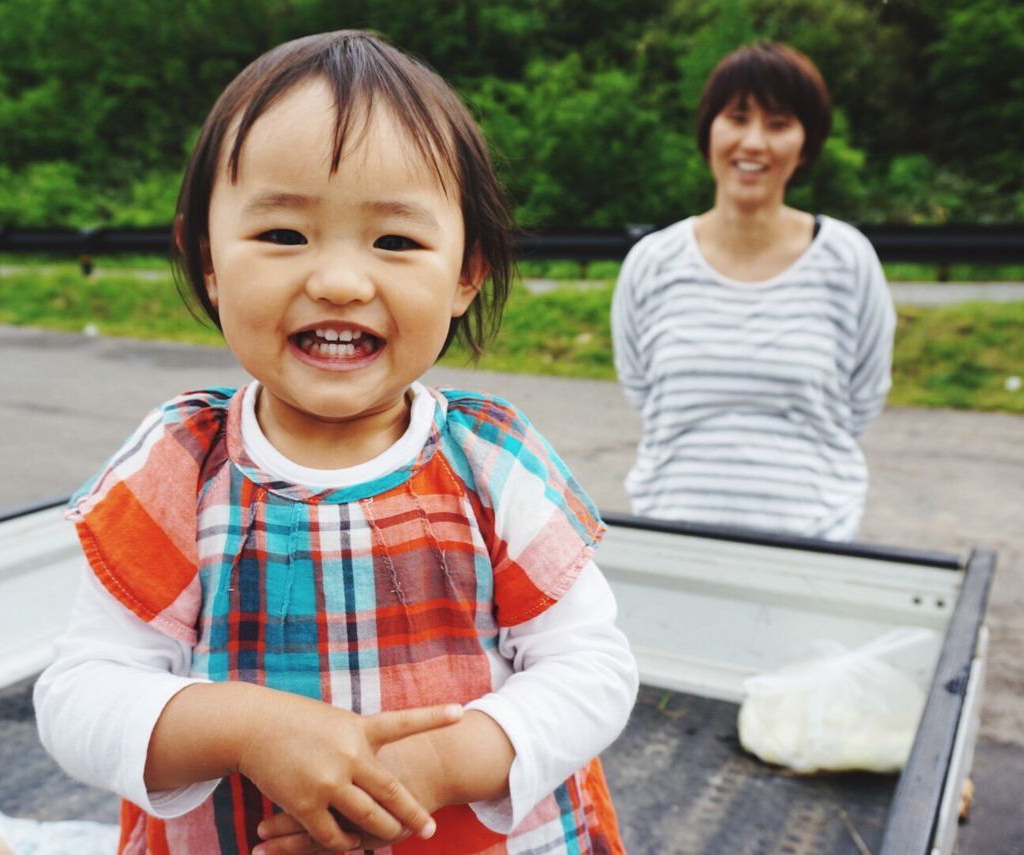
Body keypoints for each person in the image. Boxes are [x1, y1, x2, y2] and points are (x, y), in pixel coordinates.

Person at [34, 30, 636, 855]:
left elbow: (591, 670)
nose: (341, 282)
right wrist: (248, 728)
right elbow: (79, 695)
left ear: (468, 274)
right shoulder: (179, 467)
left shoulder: (495, 464)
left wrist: (437, 763)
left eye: (396, 241)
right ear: (206, 258)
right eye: (284, 235)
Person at [611, 41, 896, 542]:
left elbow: (864, 396)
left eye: (779, 124)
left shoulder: (847, 259)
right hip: (671, 536)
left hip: (813, 542)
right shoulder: (653, 263)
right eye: (737, 117)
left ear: (806, 144)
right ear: (708, 130)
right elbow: (641, 388)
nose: (754, 143)